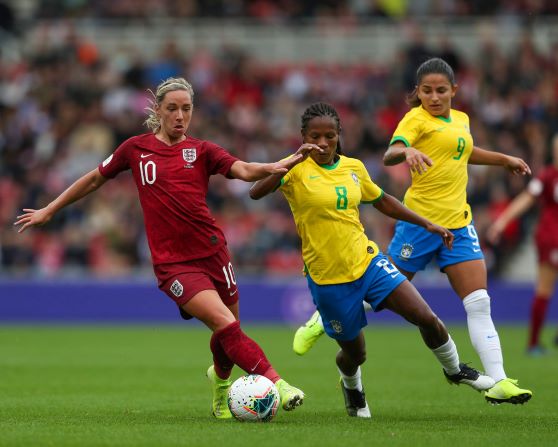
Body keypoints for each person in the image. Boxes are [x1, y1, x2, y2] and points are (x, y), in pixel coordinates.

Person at [14, 77, 309, 420]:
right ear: (158, 110)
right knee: (226, 325)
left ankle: (220, 384)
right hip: (174, 263)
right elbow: (94, 178)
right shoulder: (135, 149)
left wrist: (276, 165)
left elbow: (242, 169)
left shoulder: (202, 150)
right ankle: (278, 383)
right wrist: (51, 208)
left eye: (186, 109)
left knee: (229, 330)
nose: (180, 115)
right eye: (172, 108)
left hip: (213, 251)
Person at [292, 59, 533, 406]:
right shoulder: (415, 119)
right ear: (417, 93)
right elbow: (391, 153)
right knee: (378, 292)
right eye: (426, 91)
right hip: (419, 221)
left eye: (440, 90)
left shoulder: (461, 120)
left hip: (458, 223)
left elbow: (462, 152)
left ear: (454, 90)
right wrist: (407, 149)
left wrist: (503, 159)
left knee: (479, 303)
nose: (433, 97)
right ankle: (319, 320)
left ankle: (498, 381)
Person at [250, 102, 494, 418]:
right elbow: (256, 192)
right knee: (355, 354)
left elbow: (383, 201)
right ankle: (352, 388)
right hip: (329, 279)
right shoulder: (294, 168)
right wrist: (294, 158)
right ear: (304, 136)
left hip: (368, 262)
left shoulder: (354, 167)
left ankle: (455, 369)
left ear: (339, 135)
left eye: (330, 136)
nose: (323, 144)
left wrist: (427, 223)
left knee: (426, 316)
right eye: (316, 137)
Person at [487, 133, 558, 356]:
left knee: (543, 289)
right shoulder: (548, 176)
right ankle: (533, 344)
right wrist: (502, 222)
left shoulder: (547, 176)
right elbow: (527, 199)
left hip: (548, 237)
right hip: (552, 237)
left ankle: (534, 343)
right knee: (544, 288)